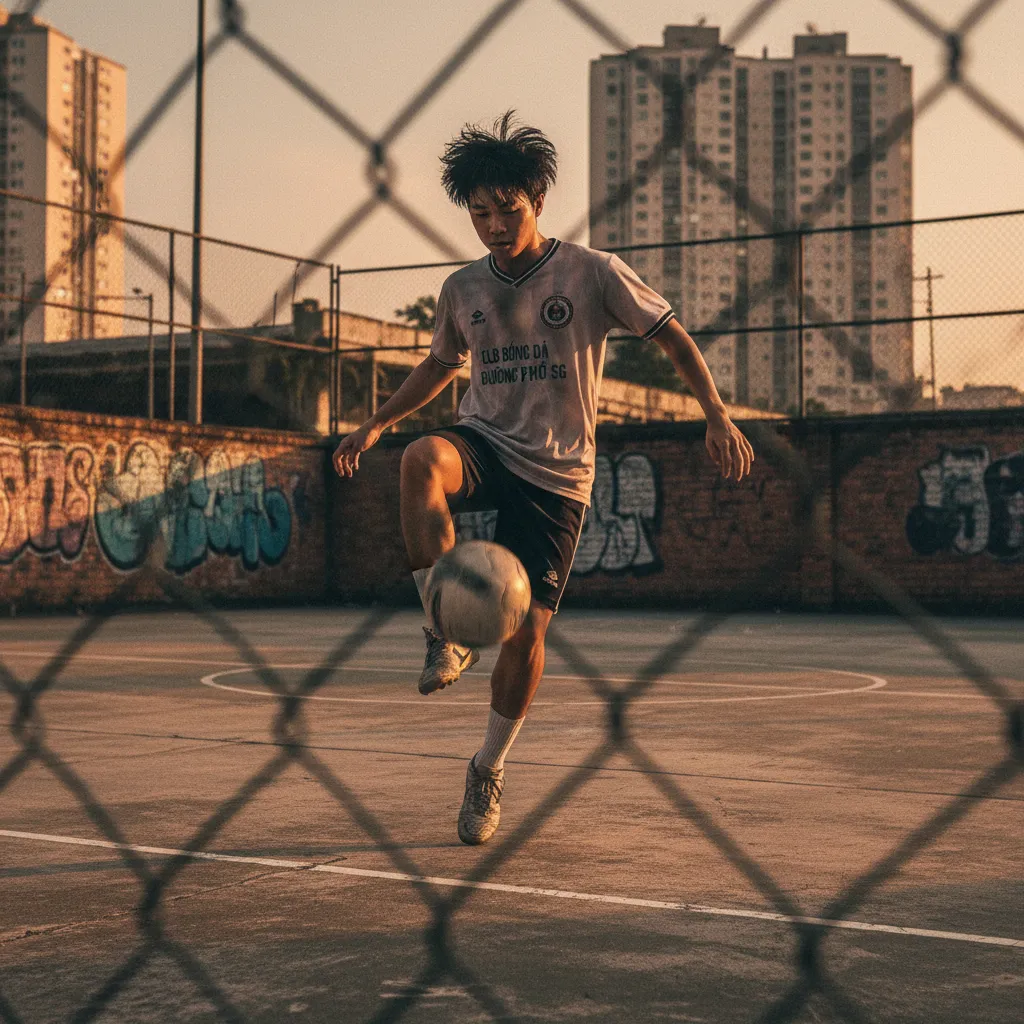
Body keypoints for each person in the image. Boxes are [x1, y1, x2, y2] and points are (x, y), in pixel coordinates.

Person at [333, 112, 754, 846]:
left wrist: (715, 412)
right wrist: (374, 423)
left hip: (557, 472)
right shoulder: (463, 287)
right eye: (480, 213)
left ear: (539, 200)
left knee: (528, 633)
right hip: (485, 440)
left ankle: (488, 767)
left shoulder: (592, 272)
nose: (494, 225)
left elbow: (673, 336)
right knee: (418, 460)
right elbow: (440, 366)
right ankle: (443, 627)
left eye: (508, 209)